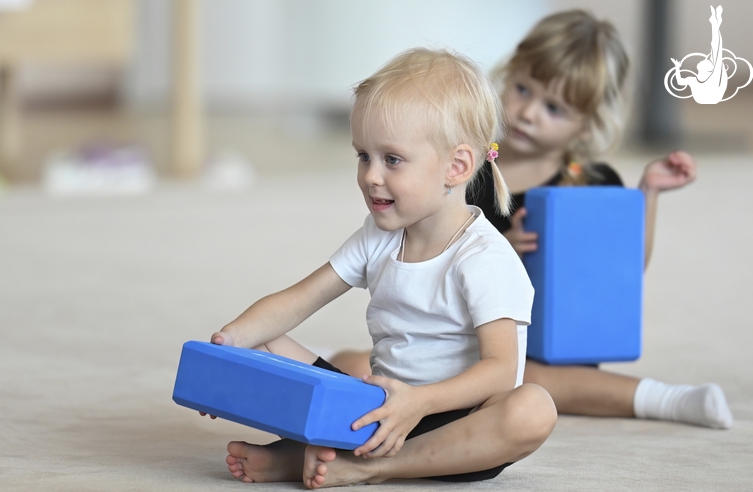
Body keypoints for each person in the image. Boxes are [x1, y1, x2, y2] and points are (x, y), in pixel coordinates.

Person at [331, 10, 733, 431]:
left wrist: (647, 195)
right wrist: (506, 239)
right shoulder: (463, 169)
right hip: (461, 344)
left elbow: (623, 272)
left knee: (537, 382)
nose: (528, 113)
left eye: (554, 108)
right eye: (522, 89)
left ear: (586, 123)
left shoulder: (589, 182)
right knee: (349, 364)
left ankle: (664, 398)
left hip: (541, 345)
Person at [202, 48, 557, 488]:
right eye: (363, 156)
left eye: (391, 159)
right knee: (264, 335)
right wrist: (227, 348)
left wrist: (419, 402)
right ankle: (317, 454)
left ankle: (370, 465)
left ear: (457, 166)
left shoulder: (485, 258)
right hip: (375, 408)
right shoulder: (380, 234)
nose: (370, 175)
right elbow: (300, 298)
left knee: (533, 408)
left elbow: (501, 371)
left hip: (453, 423)